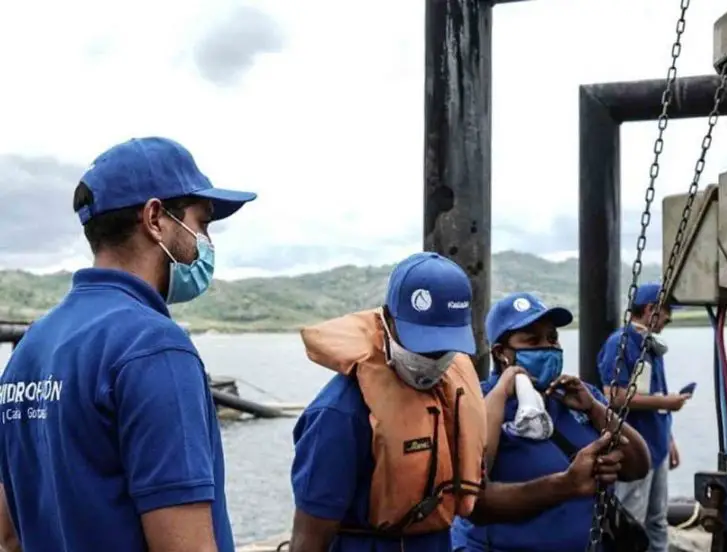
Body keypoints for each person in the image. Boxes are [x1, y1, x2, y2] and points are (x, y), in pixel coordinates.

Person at [0, 137, 256, 552]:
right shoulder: (154, 346)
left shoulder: (31, 346)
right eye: (202, 222)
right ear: (155, 218)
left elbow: (10, 537)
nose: (206, 241)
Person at [289, 253, 628, 552]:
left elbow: (475, 503)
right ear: (387, 323)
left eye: (444, 347)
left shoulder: (453, 395)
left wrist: (566, 483)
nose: (434, 359)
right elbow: (310, 539)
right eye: (422, 344)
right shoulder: (338, 415)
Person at [450, 292, 650, 552]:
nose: (549, 347)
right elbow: (471, 496)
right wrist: (502, 392)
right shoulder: (477, 399)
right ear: (501, 353)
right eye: (533, 340)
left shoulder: (577, 396)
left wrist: (594, 407)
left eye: (552, 338)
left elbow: (637, 466)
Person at [597, 282, 690, 552]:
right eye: (666, 313)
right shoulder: (621, 343)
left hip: (657, 445)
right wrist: (666, 402)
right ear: (651, 310)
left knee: (658, 519)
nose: (668, 319)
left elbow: (655, 394)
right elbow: (612, 396)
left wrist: (669, 438)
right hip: (633, 449)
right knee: (631, 520)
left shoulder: (652, 346)